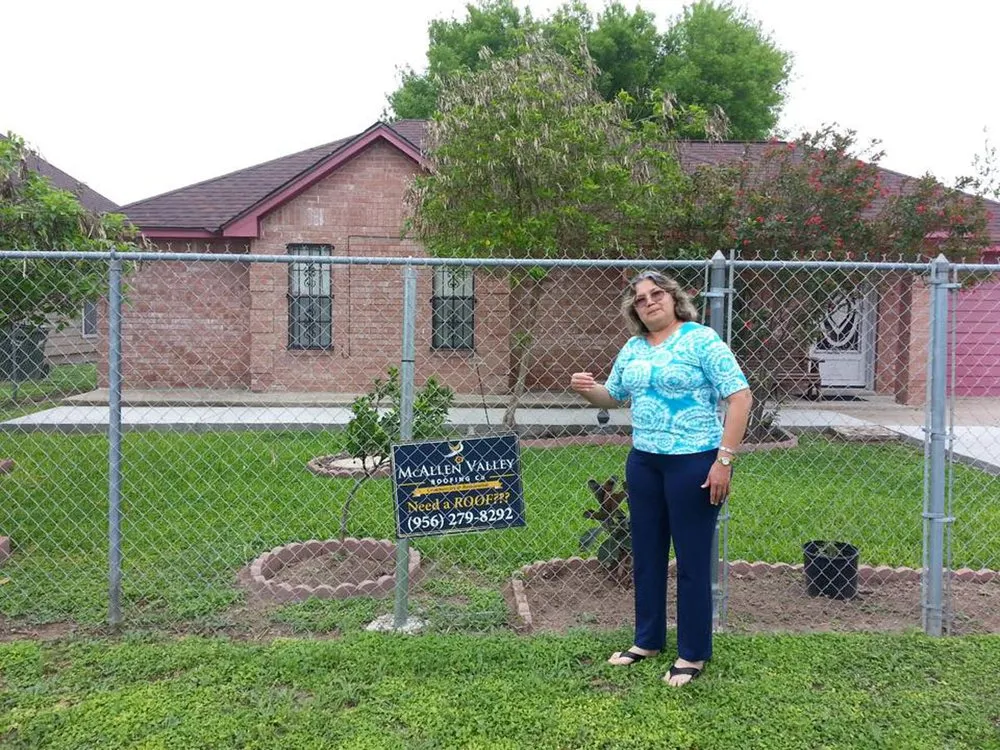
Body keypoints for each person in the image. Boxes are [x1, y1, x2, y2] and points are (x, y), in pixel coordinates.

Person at [570, 270, 752, 687]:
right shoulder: (633, 348)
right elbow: (614, 396)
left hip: (694, 463)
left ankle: (692, 652)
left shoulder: (701, 339)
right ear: (634, 310)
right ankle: (647, 640)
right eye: (640, 299)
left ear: (673, 299)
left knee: (690, 561)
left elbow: (740, 397)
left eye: (656, 294)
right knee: (647, 555)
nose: (649, 302)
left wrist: (723, 461)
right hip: (645, 464)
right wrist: (587, 389)